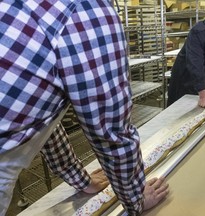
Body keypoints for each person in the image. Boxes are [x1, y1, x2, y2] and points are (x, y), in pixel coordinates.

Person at [0, 0, 169, 215]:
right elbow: (110, 131)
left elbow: (39, 114)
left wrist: (80, 179)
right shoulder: (86, 8)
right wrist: (136, 200)